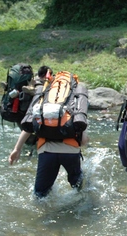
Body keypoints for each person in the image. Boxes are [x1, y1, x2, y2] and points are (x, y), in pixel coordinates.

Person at [9, 68, 89, 199]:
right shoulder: (76, 102)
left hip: (46, 152)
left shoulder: (44, 98)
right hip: (70, 152)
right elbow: (84, 140)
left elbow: (29, 127)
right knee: (79, 190)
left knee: (40, 196)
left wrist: (16, 149)